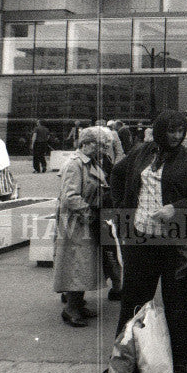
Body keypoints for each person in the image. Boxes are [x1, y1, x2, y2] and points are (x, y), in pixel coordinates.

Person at [108, 110, 187, 373]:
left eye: (181, 131)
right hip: (140, 240)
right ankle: (124, 358)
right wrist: (120, 209)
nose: (176, 136)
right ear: (160, 130)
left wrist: (175, 208)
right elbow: (116, 175)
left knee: (178, 302)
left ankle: (178, 361)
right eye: (171, 131)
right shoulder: (142, 153)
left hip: (176, 243)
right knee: (133, 300)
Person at [53, 126, 109, 327]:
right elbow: (70, 196)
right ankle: (71, 309)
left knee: (84, 264)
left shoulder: (89, 163)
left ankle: (78, 303)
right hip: (76, 222)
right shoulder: (74, 164)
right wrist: (89, 212)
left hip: (85, 220)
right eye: (99, 145)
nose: (101, 150)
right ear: (85, 144)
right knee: (76, 264)